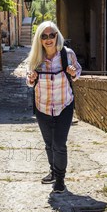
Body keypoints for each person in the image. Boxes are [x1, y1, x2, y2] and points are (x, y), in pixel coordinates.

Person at [26, 21, 81, 193]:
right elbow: (29, 82)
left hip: (64, 105)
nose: (48, 39)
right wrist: (31, 77)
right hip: (42, 107)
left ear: (57, 36)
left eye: (52, 35)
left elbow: (77, 72)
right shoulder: (36, 57)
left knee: (59, 144)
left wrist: (73, 72)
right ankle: (53, 171)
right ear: (40, 39)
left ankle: (60, 179)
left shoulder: (67, 54)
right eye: (44, 36)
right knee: (49, 144)